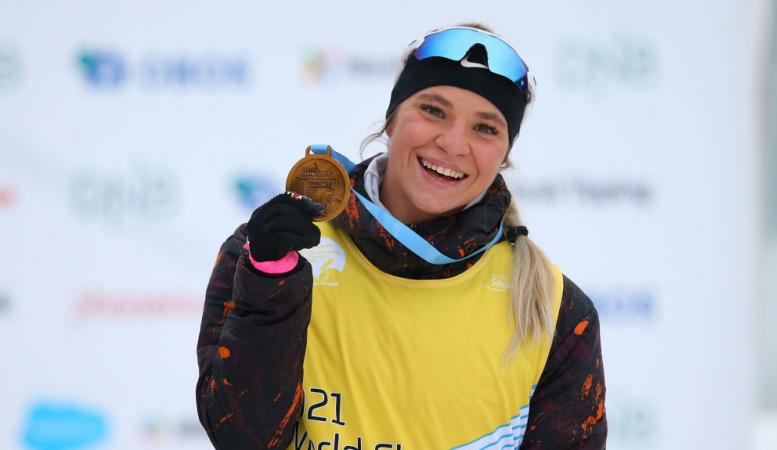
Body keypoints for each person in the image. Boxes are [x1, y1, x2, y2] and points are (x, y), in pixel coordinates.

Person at [196, 23, 606, 449]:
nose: (452, 143)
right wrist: (269, 286)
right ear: (391, 120)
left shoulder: (554, 309)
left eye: (485, 128)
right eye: (433, 110)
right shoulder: (277, 255)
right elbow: (241, 438)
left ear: (504, 155)